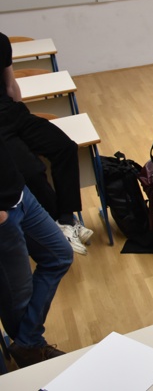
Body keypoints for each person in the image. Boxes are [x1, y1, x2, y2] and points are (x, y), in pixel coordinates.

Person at [0, 32, 91, 255]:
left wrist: (22, 116)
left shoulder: (0, 41)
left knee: (65, 147)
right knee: (31, 172)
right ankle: (57, 224)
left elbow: (10, 85)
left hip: (15, 114)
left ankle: (66, 220)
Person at [0, 136, 73, 368]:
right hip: (3, 216)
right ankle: (30, 351)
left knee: (60, 255)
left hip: (19, 193)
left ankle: (27, 342)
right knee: (18, 298)